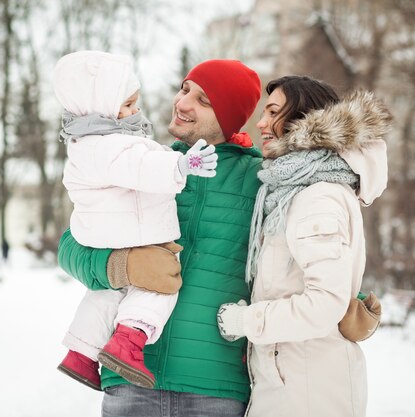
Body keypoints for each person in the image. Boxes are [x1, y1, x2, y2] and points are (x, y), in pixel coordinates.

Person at [57, 59, 263, 416]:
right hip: (129, 380)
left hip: (214, 386)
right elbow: (70, 245)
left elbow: (293, 254)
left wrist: (344, 296)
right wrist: (120, 266)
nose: (182, 103)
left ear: (230, 116)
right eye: (184, 89)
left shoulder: (260, 180)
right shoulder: (146, 166)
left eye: (204, 100)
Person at [216, 75, 392, 417]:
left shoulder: (317, 195)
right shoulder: (294, 189)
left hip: (310, 392)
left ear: (304, 120)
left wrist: (245, 321)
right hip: (293, 382)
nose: (261, 123)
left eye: (273, 112)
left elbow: (324, 303)